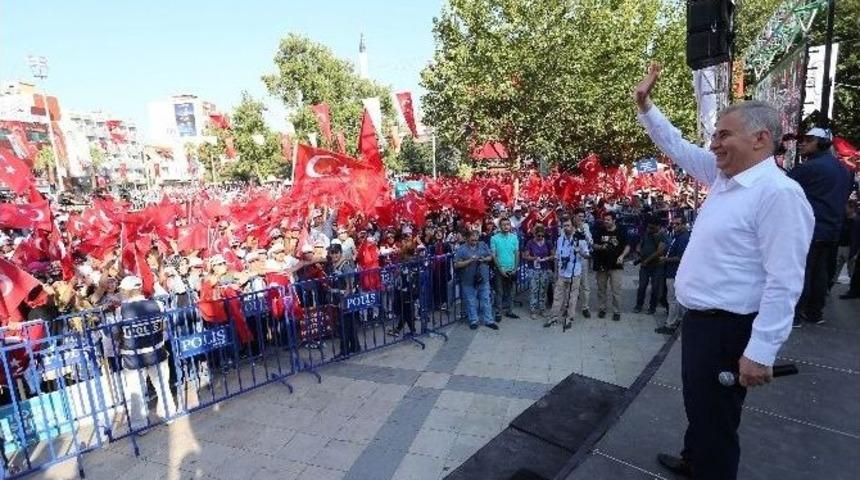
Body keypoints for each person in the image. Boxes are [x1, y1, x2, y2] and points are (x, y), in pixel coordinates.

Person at [635, 63, 814, 479]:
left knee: (717, 424)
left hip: (728, 329)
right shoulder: (725, 178)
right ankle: (693, 458)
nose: (713, 144)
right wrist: (646, 107)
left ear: (760, 139)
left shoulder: (779, 195)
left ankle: (708, 467)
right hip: (702, 325)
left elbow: (784, 280)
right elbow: (676, 146)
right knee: (700, 407)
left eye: (723, 134)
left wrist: (761, 351)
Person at [789, 127, 853, 325]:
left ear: (820, 143)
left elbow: (783, 190)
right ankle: (815, 313)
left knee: (803, 272)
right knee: (820, 273)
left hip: (809, 230)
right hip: (831, 230)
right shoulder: (844, 170)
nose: (802, 143)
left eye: (808, 139)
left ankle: (797, 315)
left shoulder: (808, 168)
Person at [115, 276, 176, 431]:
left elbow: (114, 333)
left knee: (136, 392)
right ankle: (169, 414)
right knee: (162, 386)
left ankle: (140, 425)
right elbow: (165, 326)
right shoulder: (158, 304)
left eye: (122, 290)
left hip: (133, 358)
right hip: (156, 352)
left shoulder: (121, 310)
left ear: (128, 291)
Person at [545, 218, 589, 329]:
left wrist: (580, 251)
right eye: (564, 225)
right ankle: (553, 317)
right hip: (562, 273)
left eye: (568, 225)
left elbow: (587, 255)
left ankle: (569, 319)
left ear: (573, 227)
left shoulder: (580, 239)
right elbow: (557, 257)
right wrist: (556, 272)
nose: (566, 228)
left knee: (572, 297)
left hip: (575, 273)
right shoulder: (560, 239)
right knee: (558, 296)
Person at [454, 230, 498, 330]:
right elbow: (456, 264)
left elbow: (490, 257)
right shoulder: (461, 249)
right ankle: (473, 320)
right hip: (468, 280)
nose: (475, 239)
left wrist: (483, 259)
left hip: (483, 278)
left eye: (476, 237)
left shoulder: (482, 245)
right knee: (471, 301)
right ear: (467, 238)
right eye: (472, 237)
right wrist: (469, 261)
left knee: (486, 299)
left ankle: (489, 320)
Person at [592, 212, 630, 321]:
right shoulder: (600, 230)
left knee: (616, 290)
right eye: (605, 219)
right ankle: (602, 309)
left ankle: (616, 311)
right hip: (601, 265)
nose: (605, 221)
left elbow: (627, 246)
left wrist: (622, 256)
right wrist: (601, 247)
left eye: (608, 219)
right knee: (601, 289)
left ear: (614, 220)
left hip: (616, 265)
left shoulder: (621, 230)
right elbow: (594, 245)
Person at [655, 216, 690, 334]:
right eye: (673, 224)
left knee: (672, 299)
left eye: (678, 224)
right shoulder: (677, 236)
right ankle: (677, 321)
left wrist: (666, 259)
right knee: (674, 299)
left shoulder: (684, 238)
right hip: (671, 271)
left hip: (675, 273)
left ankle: (670, 324)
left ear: (684, 224)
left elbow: (680, 258)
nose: (674, 226)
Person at [634, 217, 668, 315]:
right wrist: (639, 250)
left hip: (656, 266)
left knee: (655, 288)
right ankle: (639, 305)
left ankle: (652, 307)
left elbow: (659, 251)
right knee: (642, 286)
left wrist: (647, 260)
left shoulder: (662, 236)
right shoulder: (647, 233)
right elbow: (640, 244)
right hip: (645, 266)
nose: (649, 229)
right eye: (648, 227)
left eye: (652, 228)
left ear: (658, 226)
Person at [490, 218, 520, 320]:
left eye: (508, 224)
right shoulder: (494, 238)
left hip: (512, 268)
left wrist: (516, 268)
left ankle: (510, 311)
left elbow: (516, 253)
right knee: (499, 291)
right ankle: (498, 312)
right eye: (503, 225)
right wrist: (500, 269)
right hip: (500, 269)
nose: (506, 226)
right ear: (500, 226)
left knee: (511, 291)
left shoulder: (514, 238)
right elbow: (494, 255)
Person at [523, 225, 553, 316]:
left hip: (544, 268)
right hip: (533, 269)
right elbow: (525, 256)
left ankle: (542, 308)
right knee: (534, 289)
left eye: (542, 236)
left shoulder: (548, 242)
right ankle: (533, 309)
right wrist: (533, 258)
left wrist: (547, 258)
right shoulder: (530, 243)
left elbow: (553, 255)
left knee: (543, 289)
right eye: (538, 236)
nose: (540, 238)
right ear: (534, 235)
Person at [573, 209, 594, 318]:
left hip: (583, 259)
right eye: (579, 216)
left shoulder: (586, 226)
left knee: (585, 284)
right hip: (572, 260)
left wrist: (584, 231)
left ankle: (585, 307)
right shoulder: (569, 226)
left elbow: (591, 241)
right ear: (575, 216)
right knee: (571, 284)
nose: (581, 218)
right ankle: (569, 306)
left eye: (583, 216)